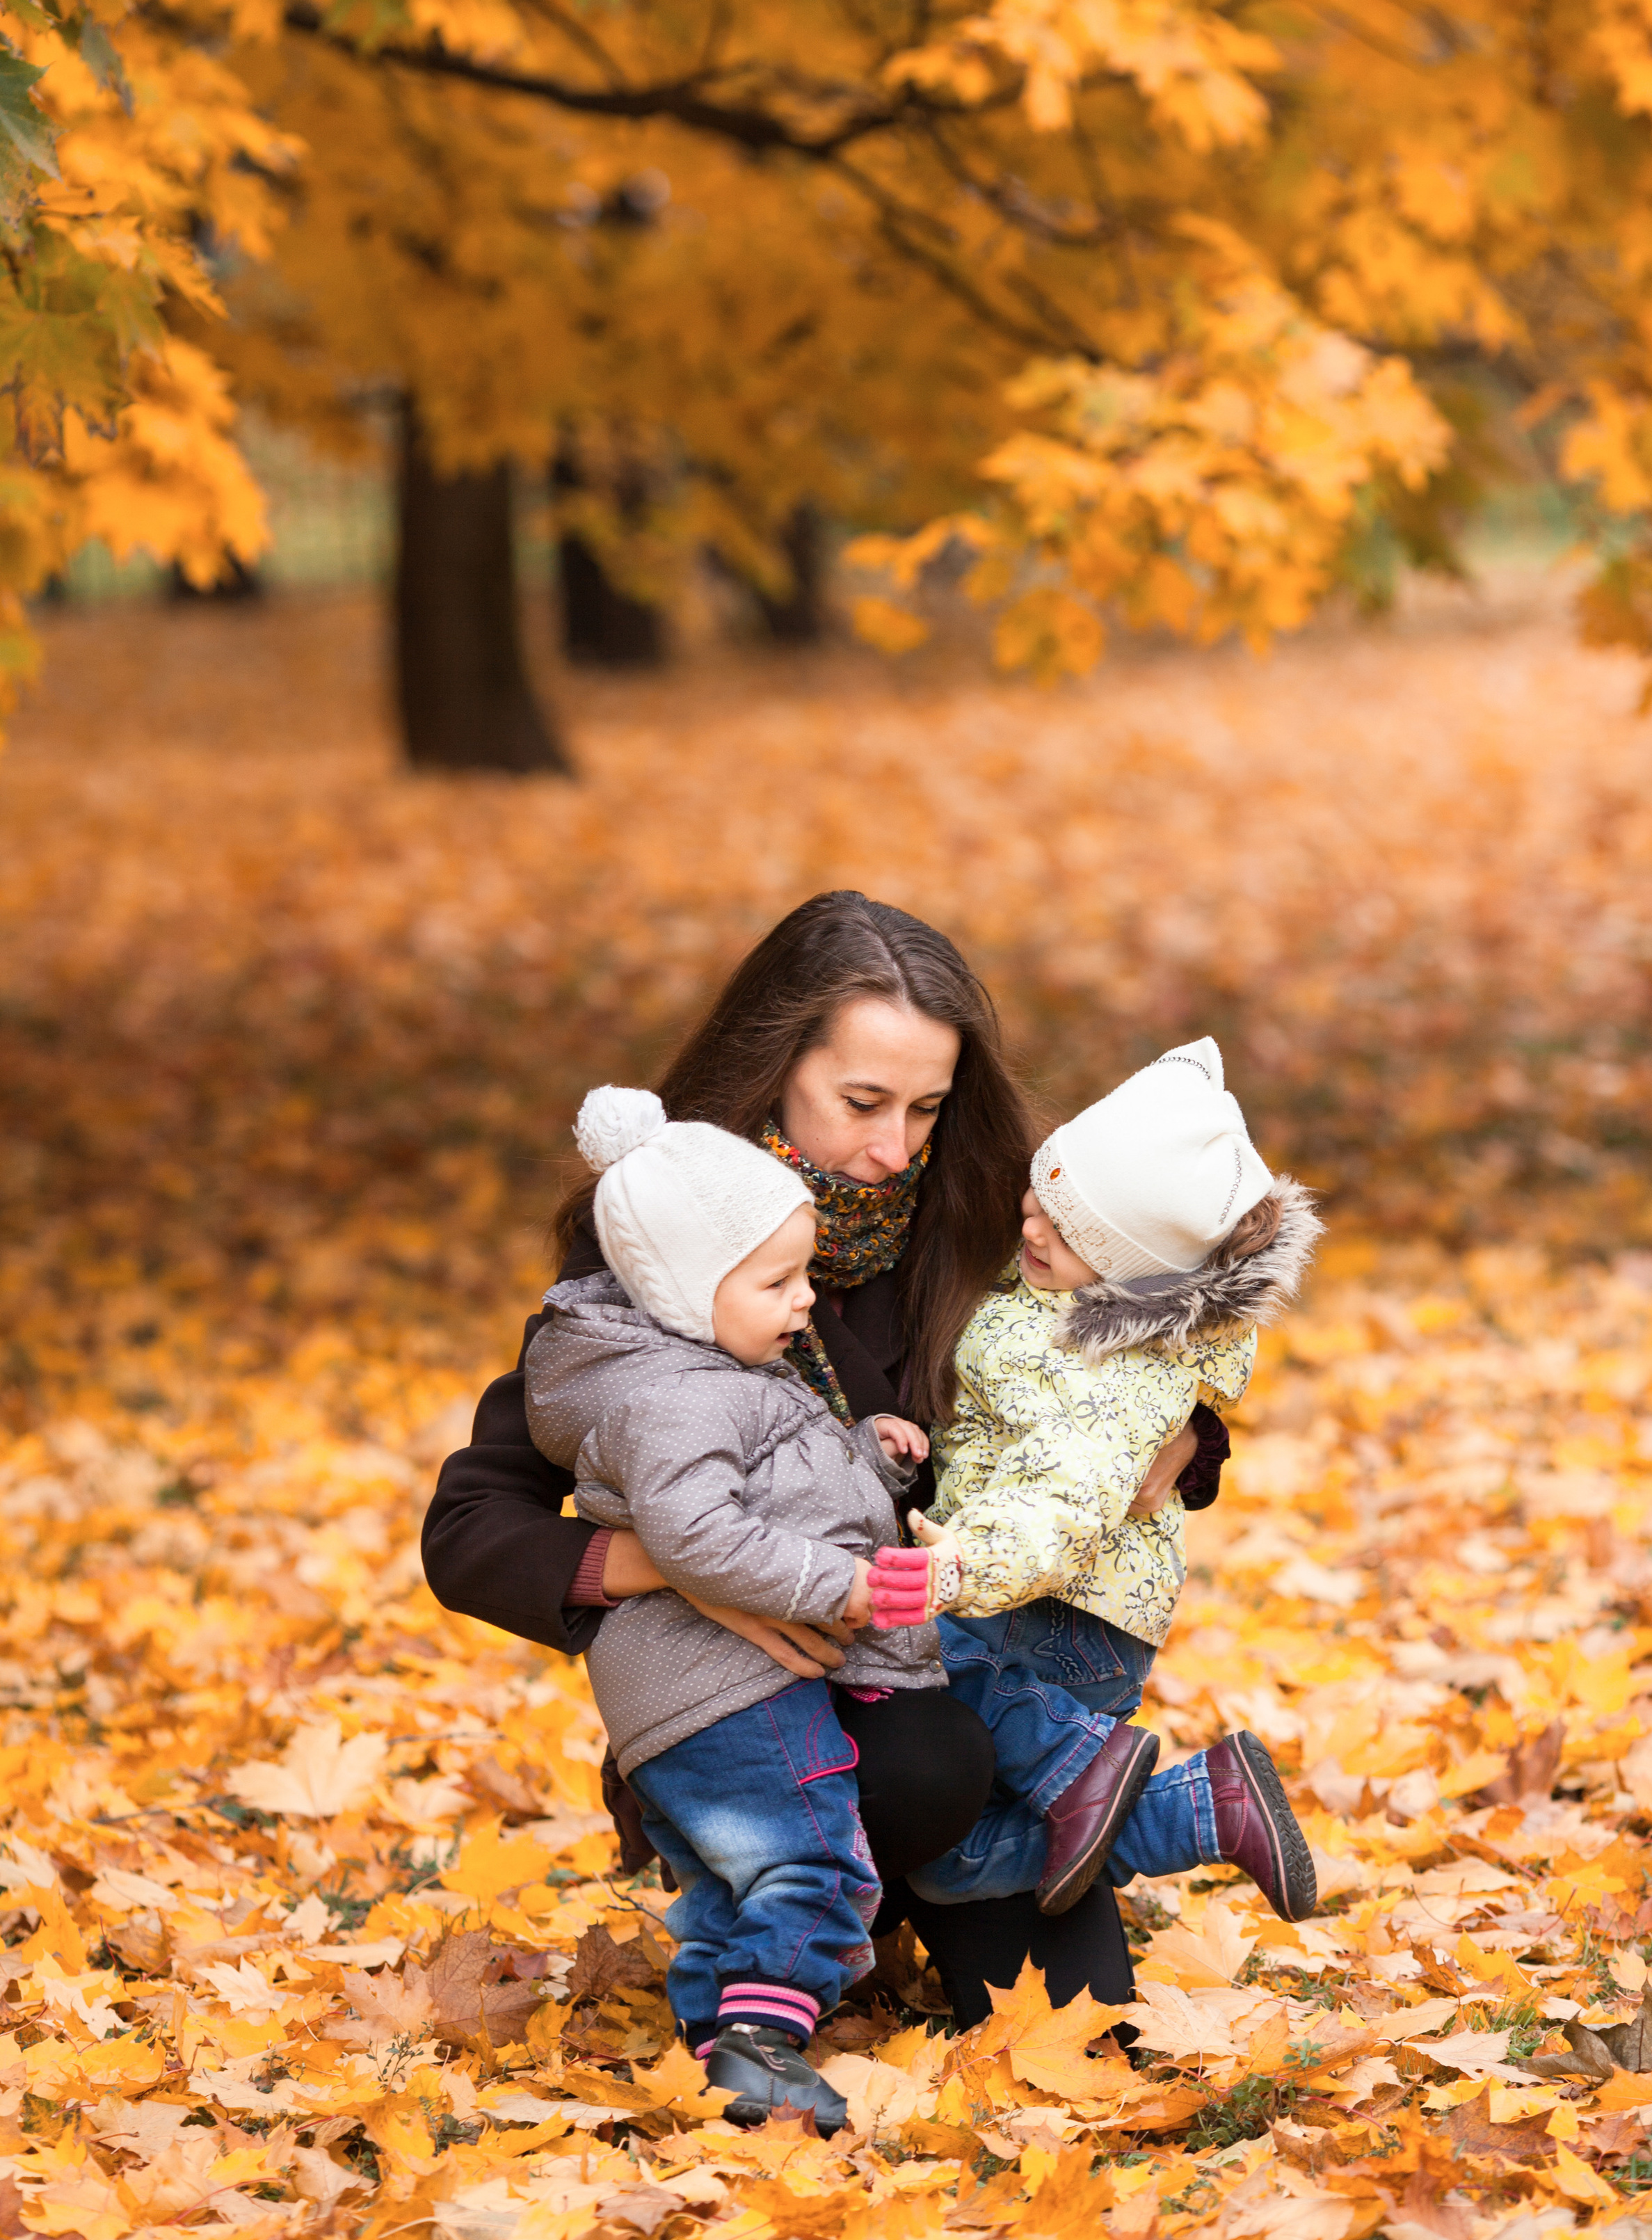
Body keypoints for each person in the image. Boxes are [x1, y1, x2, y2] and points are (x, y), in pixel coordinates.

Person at [422, 892, 1200, 2023]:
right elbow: (471, 1528)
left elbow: (1155, 1326)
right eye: (862, 1102)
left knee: (1087, 2036)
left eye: (927, 1108)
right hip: (757, 1710)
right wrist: (673, 1562)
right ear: (774, 1069)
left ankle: (900, 1888)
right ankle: (782, 1901)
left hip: (962, 1678)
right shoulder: (672, 1244)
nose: (894, 1149)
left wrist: (1191, 1428)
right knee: (923, 1769)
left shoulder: (986, 1218)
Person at [524, 1089, 945, 2132]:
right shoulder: (679, 1394)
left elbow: (766, 1476)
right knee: (815, 1863)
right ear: (680, 1287)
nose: (805, 1301)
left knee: (730, 1885)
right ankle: (766, 2043)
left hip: (684, 1696)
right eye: (778, 1281)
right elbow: (696, 1533)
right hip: (728, 1688)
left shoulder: (702, 1365)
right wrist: (835, 1585)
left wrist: (863, 1450)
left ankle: (723, 2052)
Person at [870, 1040, 1322, 1924]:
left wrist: (964, 1565)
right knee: (950, 1863)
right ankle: (1199, 1808)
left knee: (913, 1650)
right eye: (1042, 1196)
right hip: (1057, 1605)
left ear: (1131, 1268)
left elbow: (1065, 1495)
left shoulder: (1107, 1361)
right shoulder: (1060, 1295)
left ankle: (1074, 1763)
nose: (1035, 1228)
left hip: (1048, 1610)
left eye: (1074, 1231)